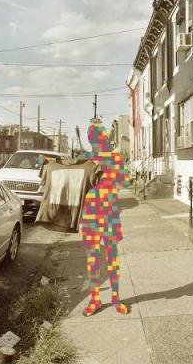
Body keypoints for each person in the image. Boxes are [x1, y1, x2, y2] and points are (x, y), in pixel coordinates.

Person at [79, 120, 130, 316]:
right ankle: (95, 299)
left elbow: (125, 182)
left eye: (100, 137)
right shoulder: (87, 160)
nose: (97, 141)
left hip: (110, 213)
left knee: (112, 256)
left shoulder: (114, 158)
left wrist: (112, 162)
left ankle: (116, 298)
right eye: (93, 138)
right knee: (92, 258)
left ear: (105, 138)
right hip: (91, 214)